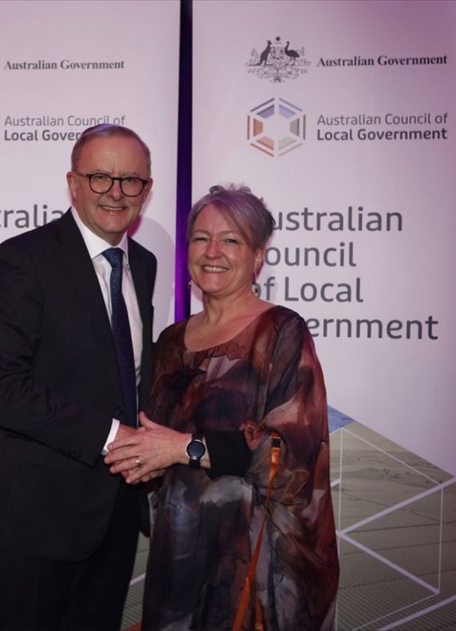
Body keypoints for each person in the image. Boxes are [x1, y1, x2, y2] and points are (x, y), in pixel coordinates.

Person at [105, 184, 339, 630]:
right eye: (200, 238)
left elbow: (293, 461)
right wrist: (145, 461)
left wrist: (183, 449)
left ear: (257, 257)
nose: (212, 251)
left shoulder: (281, 331)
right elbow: (154, 439)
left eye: (231, 239)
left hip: (261, 569)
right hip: (179, 563)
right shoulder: (171, 341)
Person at [0, 124, 157, 630]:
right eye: (100, 177)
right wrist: (114, 436)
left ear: (147, 190)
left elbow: (129, 376)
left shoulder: (146, 264)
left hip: (115, 511)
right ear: (73, 184)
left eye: (130, 180)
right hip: (36, 515)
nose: (116, 192)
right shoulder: (23, 259)